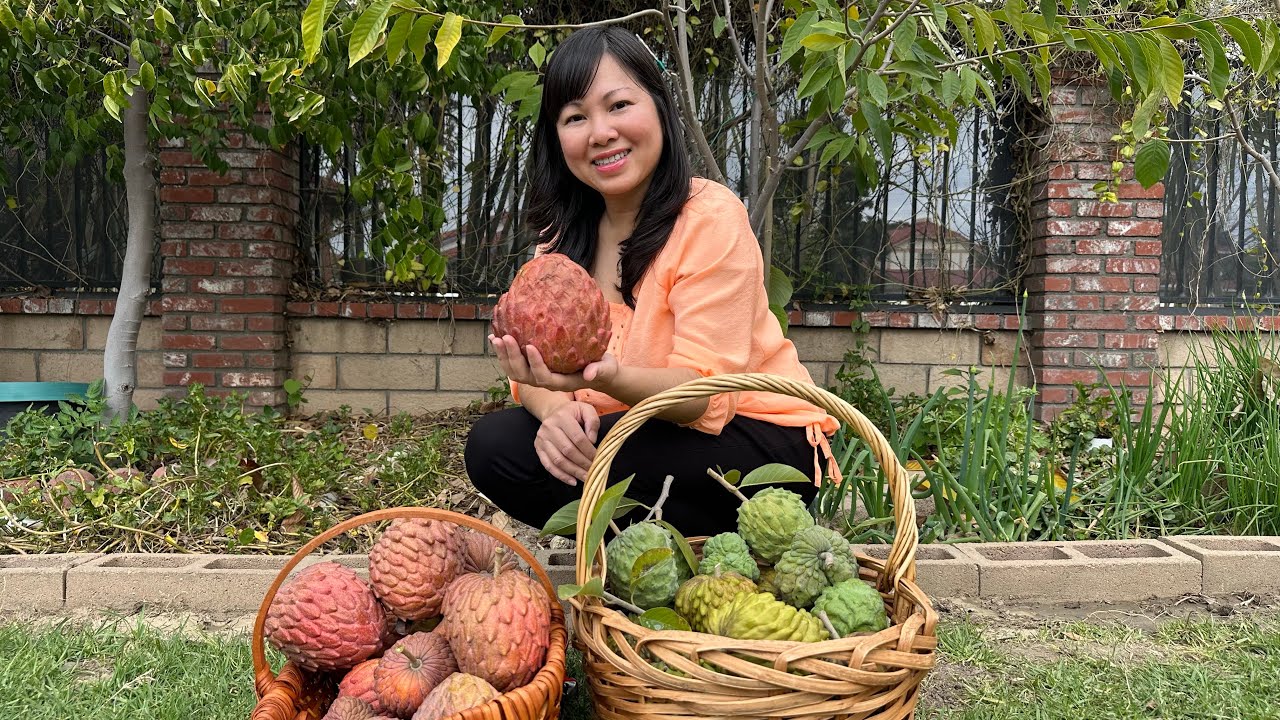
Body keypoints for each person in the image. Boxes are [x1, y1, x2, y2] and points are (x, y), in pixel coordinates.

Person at [464, 27, 841, 537]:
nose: (600, 133)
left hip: (754, 437)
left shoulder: (708, 216)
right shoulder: (561, 238)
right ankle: (651, 554)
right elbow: (535, 374)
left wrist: (593, 378)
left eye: (618, 105)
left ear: (660, 107)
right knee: (496, 446)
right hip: (636, 431)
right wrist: (555, 412)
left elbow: (703, 396)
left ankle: (687, 541)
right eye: (575, 117)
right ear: (557, 137)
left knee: (603, 458)